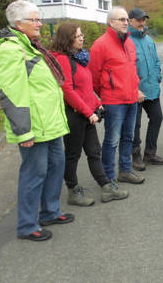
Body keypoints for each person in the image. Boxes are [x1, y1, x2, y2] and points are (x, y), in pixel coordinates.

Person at [0, 0, 74, 241]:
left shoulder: (31, 46)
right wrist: (23, 131)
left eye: (39, 19)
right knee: (33, 174)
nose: (40, 24)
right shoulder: (10, 50)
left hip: (50, 124)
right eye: (34, 20)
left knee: (56, 168)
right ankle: (27, 225)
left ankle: (50, 211)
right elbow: (12, 94)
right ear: (18, 23)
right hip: (34, 127)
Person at [51, 22, 129, 206]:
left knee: (94, 152)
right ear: (67, 39)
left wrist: (97, 104)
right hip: (74, 114)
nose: (82, 38)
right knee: (73, 154)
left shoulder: (79, 57)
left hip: (86, 113)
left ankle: (106, 186)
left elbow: (85, 87)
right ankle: (73, 191)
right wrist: (88, 112)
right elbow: (68, 90)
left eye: (81, 35)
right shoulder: (63, 59)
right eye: (78, 36)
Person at [89, 6, 145, 184]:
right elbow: (94, 76)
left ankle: (125, 170)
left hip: (131, 99)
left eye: (127, 20)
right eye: (121, 19)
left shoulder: (129, 42)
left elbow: (132, 70)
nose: (125, 22)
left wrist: (135, 89)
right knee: (112, 140)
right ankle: (108, 176)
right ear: (111, 22)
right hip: (114, 102)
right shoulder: (100, 45)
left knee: (128, 137)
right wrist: (107, 93)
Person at [128, 7, 163, 171]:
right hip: (135, 92)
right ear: (130, 21)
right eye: (139, 20)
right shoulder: (127, 41)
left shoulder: (149, 40)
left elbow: (157, 62)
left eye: (144, 19)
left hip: (152, 89)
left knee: (157, 118)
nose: (142, 23)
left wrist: (158, 76)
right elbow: (126, 68)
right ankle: (135, 155)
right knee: (134, 125)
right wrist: (134, 88)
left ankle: (150, 154)